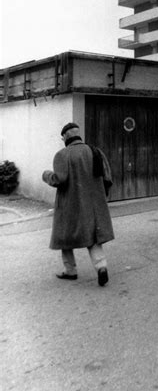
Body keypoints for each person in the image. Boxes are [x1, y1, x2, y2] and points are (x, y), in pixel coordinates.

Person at [42, 122, 114, 286]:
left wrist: (46, 175)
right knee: (93, 237)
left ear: (65, 137)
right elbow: (108, 178)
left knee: (64, 237)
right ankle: (101, 267)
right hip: (94, 205)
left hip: (70, 205)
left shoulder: (62, 155)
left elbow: (59, 179)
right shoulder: (96, 151)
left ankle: (70, 270)